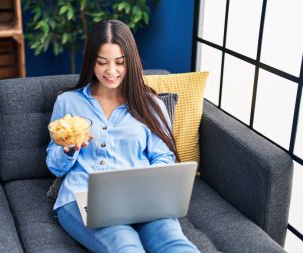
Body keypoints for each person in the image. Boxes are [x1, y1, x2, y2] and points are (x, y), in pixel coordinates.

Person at [46, 20, 200, 253]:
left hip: (143, 198)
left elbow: (163, 157)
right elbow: (54, 166)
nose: (111, 71)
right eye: (102, 62)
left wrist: (145, 183)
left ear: (131, 62)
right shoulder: (68, 102)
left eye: (120, 63)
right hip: (81, 197)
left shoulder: (151, 104)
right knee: (125, 246)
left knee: (174, 245)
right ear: (91, 61)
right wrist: (68, 150)